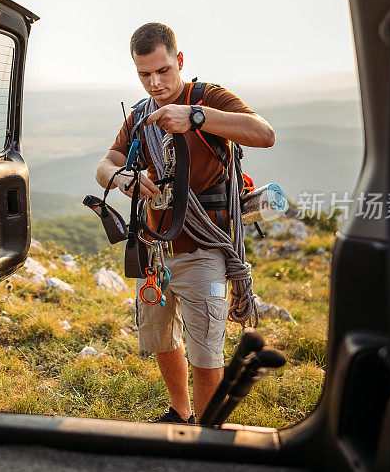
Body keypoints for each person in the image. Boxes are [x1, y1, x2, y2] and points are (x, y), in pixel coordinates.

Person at [95, 23, 275, 424]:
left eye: (163, 71)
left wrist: (195, 117)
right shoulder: (142, 115)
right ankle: (181, 412)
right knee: (162, 336)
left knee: (206, 346)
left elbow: (264, 133)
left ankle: (208, 428)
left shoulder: (207, 97)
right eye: (144, 74)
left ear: (179, 60)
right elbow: (104, 165)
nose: (155, 83)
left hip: (203, 247)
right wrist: (122, 177)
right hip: (154, 248)